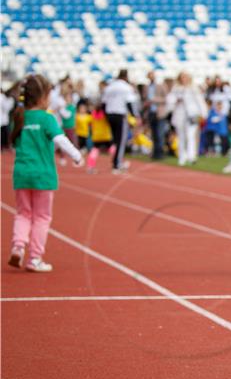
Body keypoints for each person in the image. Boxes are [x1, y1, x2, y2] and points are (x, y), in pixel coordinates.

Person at [7, 74, 83, 272]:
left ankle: (18, 246)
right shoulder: (47, 119)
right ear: (41, 98)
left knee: (23, 214)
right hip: (43, 175)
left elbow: (15, 145)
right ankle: (35, 258)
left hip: (22, 174)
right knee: (41, 217)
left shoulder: (20, 118)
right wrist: (76, 155)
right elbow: (61, 140)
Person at [166, 71, 206, 167]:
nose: (184, 79)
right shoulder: (176, 89)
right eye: (182, 77)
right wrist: (176, 101)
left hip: (192, 115)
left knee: (190, 135)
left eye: (186, 77)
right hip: (180, 115)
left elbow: (200, 101)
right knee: (181, 137)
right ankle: (182, 157)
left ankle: (191, 156)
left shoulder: (193, 88)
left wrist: (203, 114)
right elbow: (170, 100)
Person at [101, 70, 138, 173]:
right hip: (120, 114)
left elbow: (103, 103)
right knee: (121, 140)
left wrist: (106, 115)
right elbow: (130, 103)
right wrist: (136, 116)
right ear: (126, 77)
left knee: (115, 139)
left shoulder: (109, 87)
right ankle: (117, 164)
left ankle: (116, 160)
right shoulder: (126, 87)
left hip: (109, 114)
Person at [144, 71, 168, 160]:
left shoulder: (161, 86)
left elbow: (166, 98)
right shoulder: (146, 87)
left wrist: (155, 100)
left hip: (159, 112)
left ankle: (160, 153)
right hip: (150, 112)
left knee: (160, 133)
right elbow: (145, 98)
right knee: (153, 134)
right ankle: (154, 153)